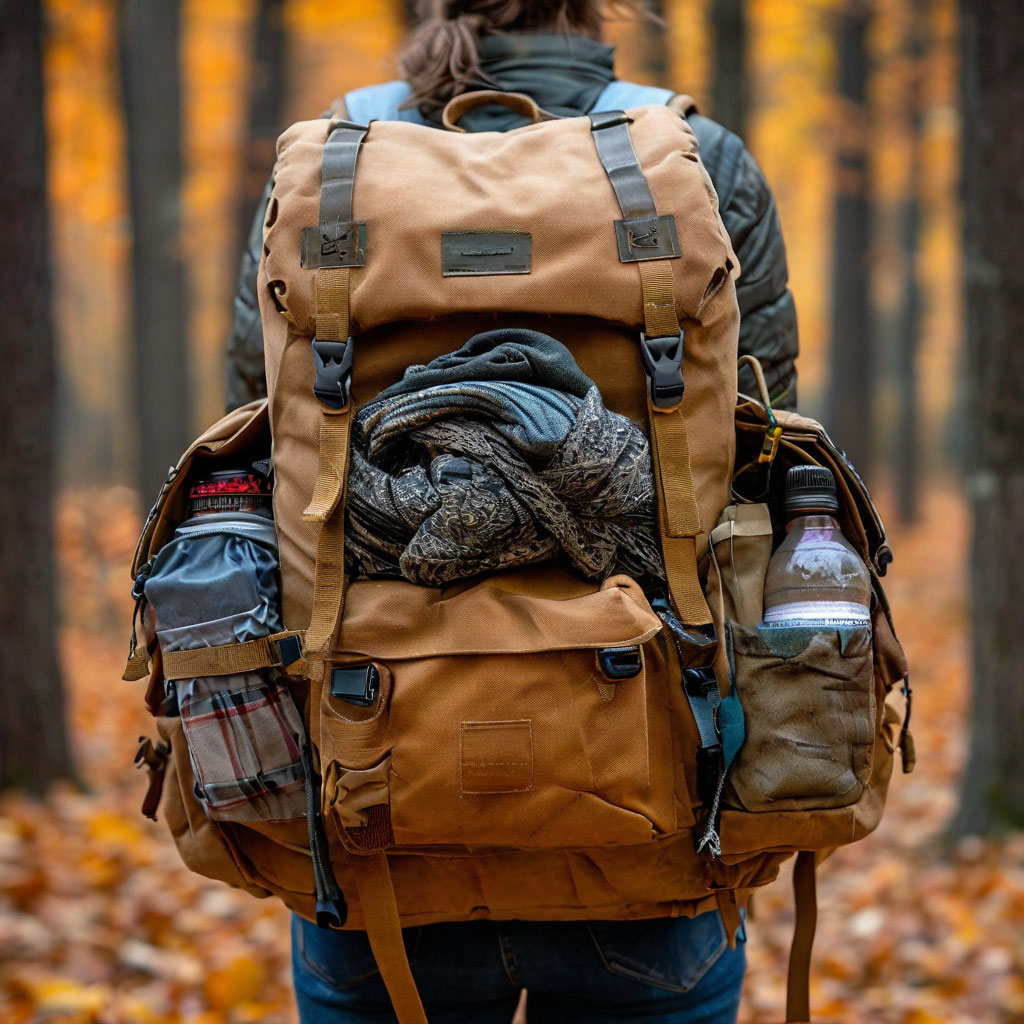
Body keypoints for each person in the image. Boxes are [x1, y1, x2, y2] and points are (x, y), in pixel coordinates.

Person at [225, 2, 799, 1021]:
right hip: (651, 808)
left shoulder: (330, 167)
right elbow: (757, 433)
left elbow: (260, 416)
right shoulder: (695, 159)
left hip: (379, 820)